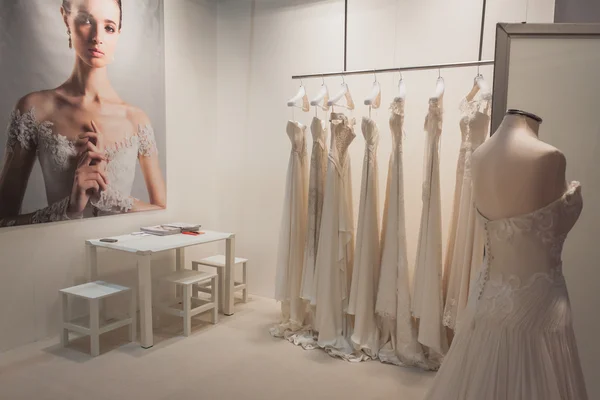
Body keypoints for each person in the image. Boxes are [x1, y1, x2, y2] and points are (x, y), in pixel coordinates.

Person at [0, 0, 166, 227]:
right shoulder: (33, 110)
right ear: (65, 18)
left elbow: (163, 214)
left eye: (109, 27)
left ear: (118, 33)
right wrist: (68, 209)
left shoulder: (136, 119)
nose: (97, 36)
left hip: (124, 259)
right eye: (86, 21)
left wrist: (109, 199)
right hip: (56, 258)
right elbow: (2, 222)